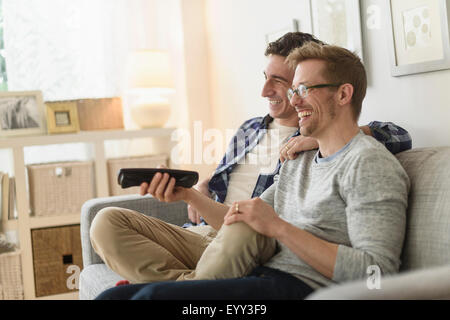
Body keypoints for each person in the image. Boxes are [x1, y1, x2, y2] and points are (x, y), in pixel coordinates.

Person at [90, 32, 412, 287]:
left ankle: (184, 292)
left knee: (246, 229)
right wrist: (190, 194)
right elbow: (237, 213)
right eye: (267, 77)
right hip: (214, 232)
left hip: (251, 242)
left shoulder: (324, 147)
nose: (266, 90)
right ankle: (188, 290)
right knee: (105, 222)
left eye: (283, 83)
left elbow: (395, 135)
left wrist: (313, 139)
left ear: (340, 95)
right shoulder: (252, 130)